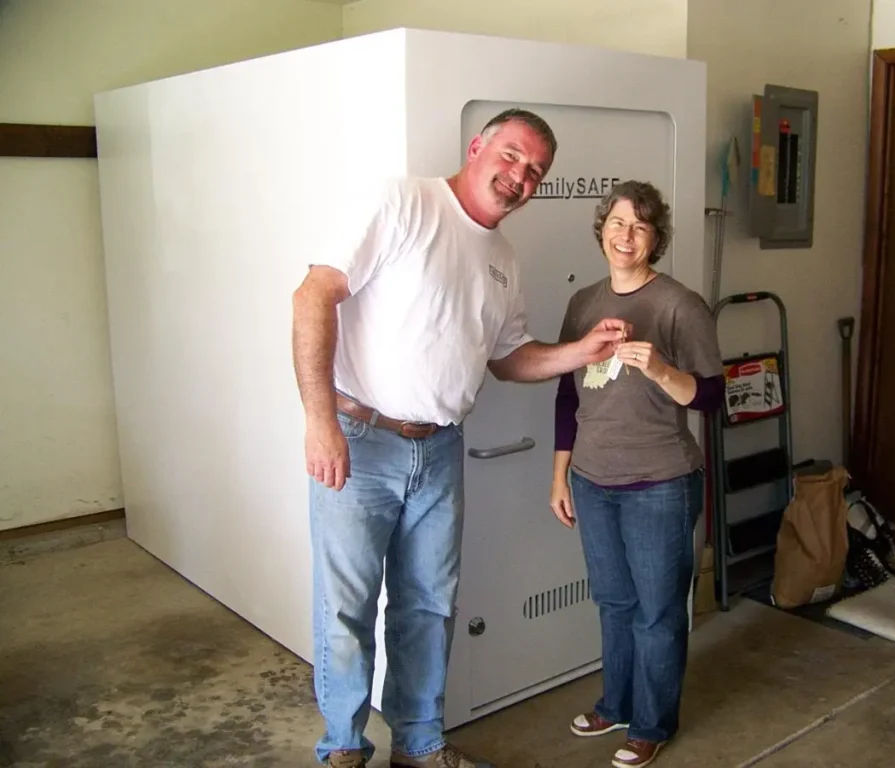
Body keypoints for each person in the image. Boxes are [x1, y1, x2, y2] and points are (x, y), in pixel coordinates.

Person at [291, 108, 632, 768]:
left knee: (428, 608)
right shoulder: (403, 201)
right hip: (361, 442)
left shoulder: (502, 258)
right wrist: (319, 421)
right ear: (477, 146)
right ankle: (342, 748)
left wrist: (580, 352)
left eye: (534, 171)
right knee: (345, 611)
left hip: (440, 450)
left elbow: (510, 358)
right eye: (510, 155)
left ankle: (418, 745)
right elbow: (313, 295)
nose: (519, 176)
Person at [549, 181, 724, 768]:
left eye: (640, 226)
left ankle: (652, 723)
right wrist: (560, 476)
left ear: (656, 238)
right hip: (593, 481)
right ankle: (615, 704)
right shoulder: (583, 304)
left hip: (661, 484)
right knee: (615, 602)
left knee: (658, 611)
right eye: (618, 223)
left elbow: (711, 399)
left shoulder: (679, 305)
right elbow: (566, 399)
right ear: (602, 229)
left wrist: (661, 368)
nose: (626, 236)